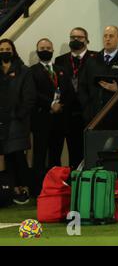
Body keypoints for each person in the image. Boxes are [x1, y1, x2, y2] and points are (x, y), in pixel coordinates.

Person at [30, 38, 73, 196]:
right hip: (41, 120)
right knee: (39, 156)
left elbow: (68, 91)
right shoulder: (32, 71)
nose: (45, 50)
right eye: (42, 47)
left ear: (53, 50)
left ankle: (56, 189)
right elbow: (33, 93)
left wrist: (61, 106)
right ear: (37, 50)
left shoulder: (61, 70)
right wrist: (50, 104)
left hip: (59, 120)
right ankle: (38, 191)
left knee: (56, 156)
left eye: (48, 47)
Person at [79, 25, 118, 130]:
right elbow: (83, 86)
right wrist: (87, 110)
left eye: (111, 36)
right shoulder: (92, 61)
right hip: (94, 118)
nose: (107, 39)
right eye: (105, 36)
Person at [54, 27, 97, 169]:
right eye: (73, 37)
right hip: (69, 113)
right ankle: (74, 184)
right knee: (73, 152)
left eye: (79, 37)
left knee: (91, 151)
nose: (76, 40)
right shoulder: (60, 60)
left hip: (90, 112)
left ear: (87, 40)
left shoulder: (96, 57)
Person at [0, 39, 35, 204]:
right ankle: (12, 189)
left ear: (13, 51)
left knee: (18, 155)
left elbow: (29, 96)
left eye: (7, 49)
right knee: (7, 156)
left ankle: (24, 188)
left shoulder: (23, 71)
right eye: (2, 49)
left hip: (17, 120)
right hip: (2, 121)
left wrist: (19, 114)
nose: (5, 51)